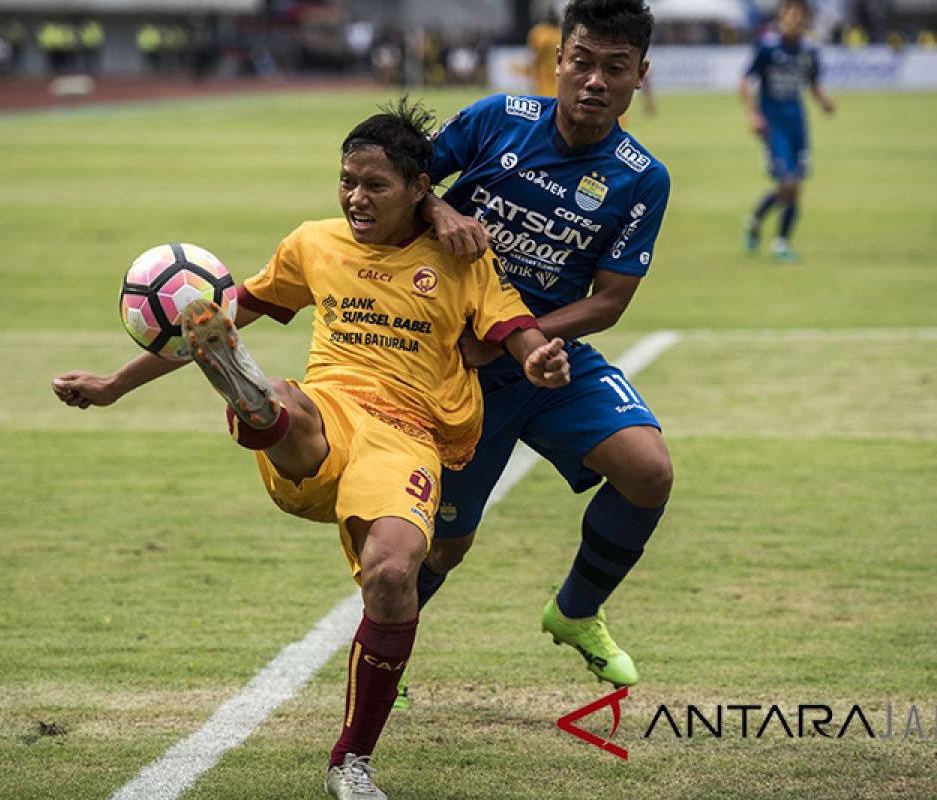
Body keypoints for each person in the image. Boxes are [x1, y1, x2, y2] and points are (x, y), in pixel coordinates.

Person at [51, 101, 569, 800]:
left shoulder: (461, 261)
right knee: (286, 399)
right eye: (347, 181)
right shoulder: (313, 245)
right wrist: (115, 385)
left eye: (375, 185)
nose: (356, 197)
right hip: (327, 414)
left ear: (421, 188)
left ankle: (350, 763)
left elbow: (517, 330)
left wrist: (539, 360)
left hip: (410, 437)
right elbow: (215, 318)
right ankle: (255, 407)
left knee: (392, 576)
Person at [408, 0, 673, 697]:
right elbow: (403, 174)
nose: (593, 81)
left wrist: (529, 343)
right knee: (445, 545)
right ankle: (383, 658)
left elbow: (611, 300)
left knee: (648, 470)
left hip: (549, 355)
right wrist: (439, 208)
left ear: (639, 75)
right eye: (581, 61)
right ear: (558, 60)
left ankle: (575, 611)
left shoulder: (641, 175)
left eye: (614, 68)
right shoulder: (499, 119)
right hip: (463, 359)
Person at [738, 0, 835, 262]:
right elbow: (744, 82)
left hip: (798, 125)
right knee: (788, 182)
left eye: (797, 15)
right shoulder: (767, 46)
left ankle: (761, 225)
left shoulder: (809, 50)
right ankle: (775, 238)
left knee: (795, 187)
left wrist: (824, 100)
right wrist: (754, 114)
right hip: (774, 125)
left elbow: (813, 82)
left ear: (803, 18)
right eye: (788, 14)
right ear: (782, 17)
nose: (793, 19)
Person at [525, 6, 562, 96]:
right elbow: (534, 53)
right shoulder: (541, 32)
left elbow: (534, 53)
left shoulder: (540, 31)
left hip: (551, 71)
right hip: (545, 72)